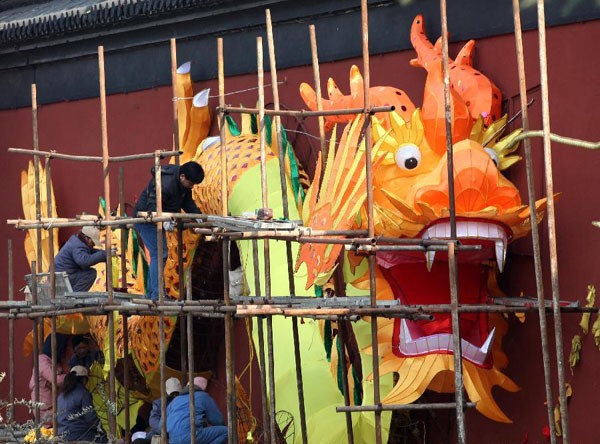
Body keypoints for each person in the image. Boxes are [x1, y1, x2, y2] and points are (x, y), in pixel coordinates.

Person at [134, 161, 204, 300]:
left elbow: (187, 202)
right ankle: (156, 295)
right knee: (159, 254)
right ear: (182, 176)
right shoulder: (165, 184)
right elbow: (151, 206)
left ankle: (152, 294)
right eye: (191, 184)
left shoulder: (182, 184)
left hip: (159, 218)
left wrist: (197, 215)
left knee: (158, 254)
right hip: (146, 219)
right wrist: (164, 221)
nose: (191, 187)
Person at [166, 376, 227, 444]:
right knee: (226, 431)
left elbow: (161, 425)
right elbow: (217, 420)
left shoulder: (174, 401)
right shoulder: (202, 396)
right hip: (191, 435)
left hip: (173, 440)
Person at [57, 365, 107, 443]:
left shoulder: (60, 396)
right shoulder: (83, 393)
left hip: (61, 436)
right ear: (83, 380)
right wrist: (103, 431)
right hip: (79, 435)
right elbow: (91, 419)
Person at [29, 333, 69, 425]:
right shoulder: (42, 361)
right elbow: (56, 380)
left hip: (53, 406)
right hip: (44, 410)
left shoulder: (54, 362)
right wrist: (72, 376)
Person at [54, 226, 107, 292]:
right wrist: (103, 255)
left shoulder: (77, 241)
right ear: (86, 238)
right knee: (90, 274)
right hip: (61, 279)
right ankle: (74, 298)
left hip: (61, 276)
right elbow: (84, 261)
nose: (93, 245)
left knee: (88, 272)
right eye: (93, 242)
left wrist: (105, 253)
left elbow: (90, 251)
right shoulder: (78, 246)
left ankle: (73, 296)